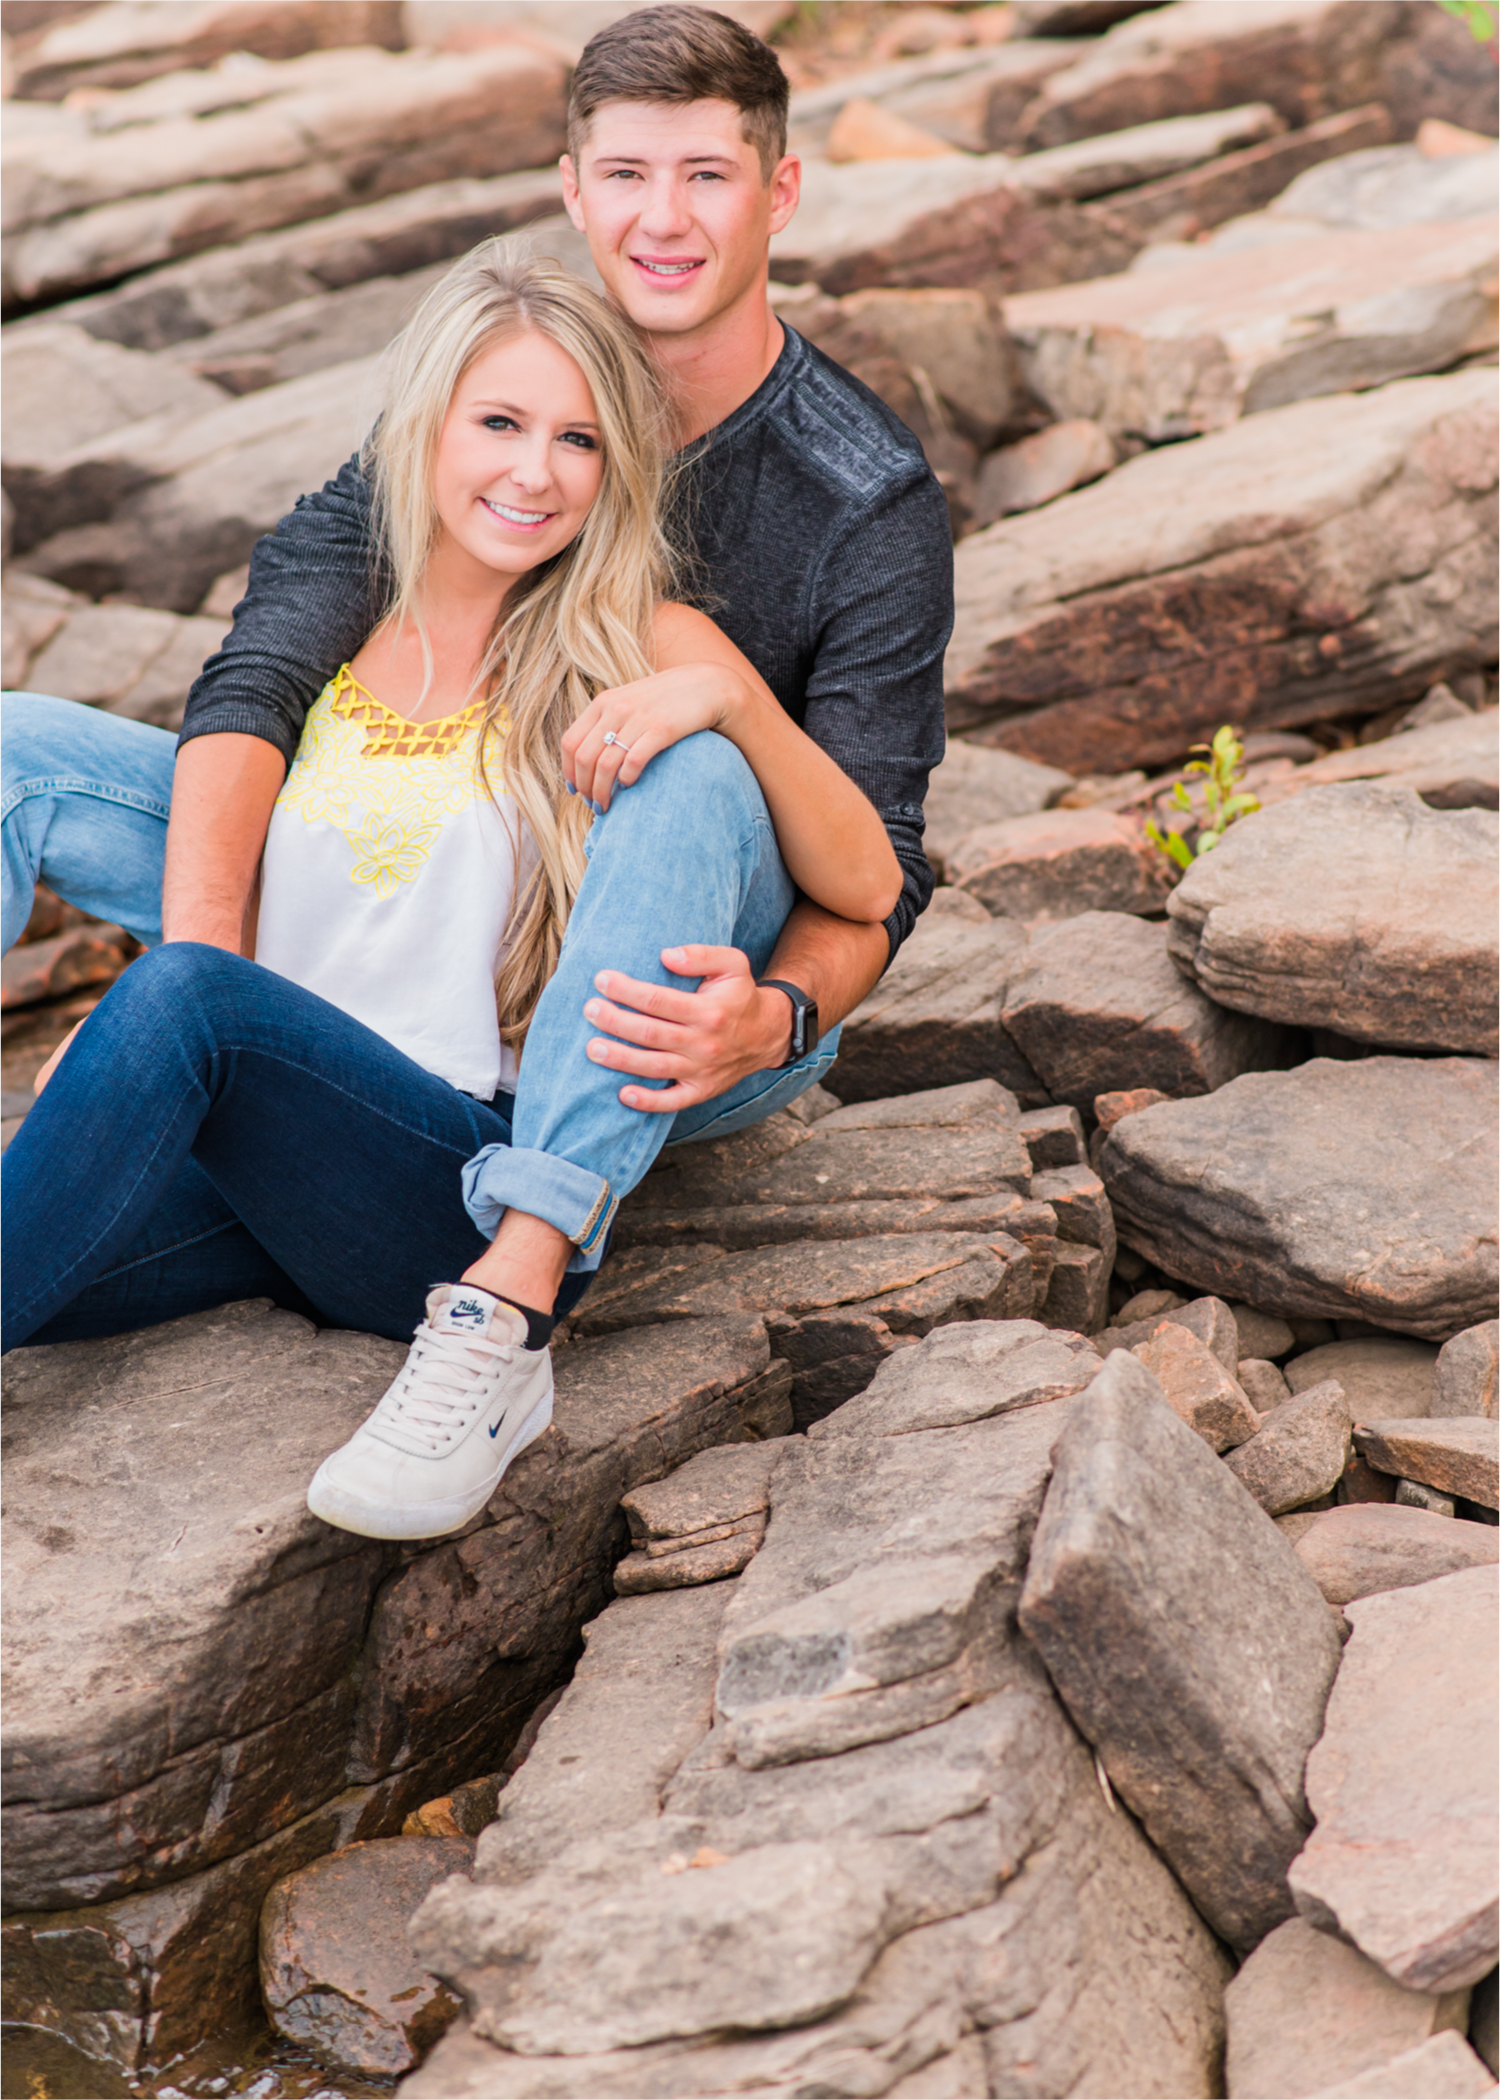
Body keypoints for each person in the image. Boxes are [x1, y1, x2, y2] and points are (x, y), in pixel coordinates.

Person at [1, 7, 953, 1534]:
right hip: (333, 1047)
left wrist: (774, 1007)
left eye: (706, 175)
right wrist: (172, 1028)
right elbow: (254, 679)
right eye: (627, 173)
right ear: (572, 188)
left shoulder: (843, 512)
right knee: (27, 773)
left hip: (654, 989)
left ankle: (513, 1298)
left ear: (779, 191)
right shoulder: (452, 432)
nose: (663, 217)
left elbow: (876, 872)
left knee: (689, 768)